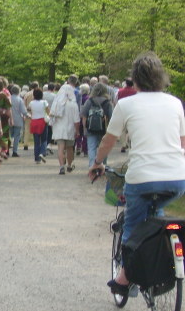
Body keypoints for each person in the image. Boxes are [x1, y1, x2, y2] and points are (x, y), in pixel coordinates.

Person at [88, 52, 185, 296]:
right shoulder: (175, 103)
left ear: (135, 79)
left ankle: (125, 281)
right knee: (158, 220)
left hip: (142, 178)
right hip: (176, 179)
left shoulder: (127, 104)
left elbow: (109, 141)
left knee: (131, 225)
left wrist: (98, 162)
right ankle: (160, 266)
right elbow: (182, 142)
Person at [49, 77, 80, 175]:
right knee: (70, 148)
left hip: (58, 128)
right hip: (70, 129)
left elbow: (52, 117)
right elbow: (76, 120)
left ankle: (61, 166)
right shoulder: (73, 104)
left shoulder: (56, 104)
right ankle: (69, 165)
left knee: (60, 148)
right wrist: (77, 130)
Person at [80, 83, 113, 168]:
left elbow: (83, 115)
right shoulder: (107, 102)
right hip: (104, 129)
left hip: (90, 128)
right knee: (103, 147)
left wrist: (85, 127)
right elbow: (111, 117)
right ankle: (103, 165)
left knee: (91, 148)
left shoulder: (89, 101)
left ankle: (92, 166)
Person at [28, 88, 49, 164]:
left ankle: (37, 158)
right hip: (42, 122)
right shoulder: (44, 102)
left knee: (36, 141)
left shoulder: (31, 103)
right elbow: (48, 111)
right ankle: (42, 152)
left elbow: (28, 109)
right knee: (44, 139)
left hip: (34, 122)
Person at [9, 84, 27, 157]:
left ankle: (6, 150)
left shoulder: (8, 98)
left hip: (9, 119)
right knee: (17, 136)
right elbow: (24, 111)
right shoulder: (19, 100)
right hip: (18, 120)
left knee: (9, 135)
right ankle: (15, 151)